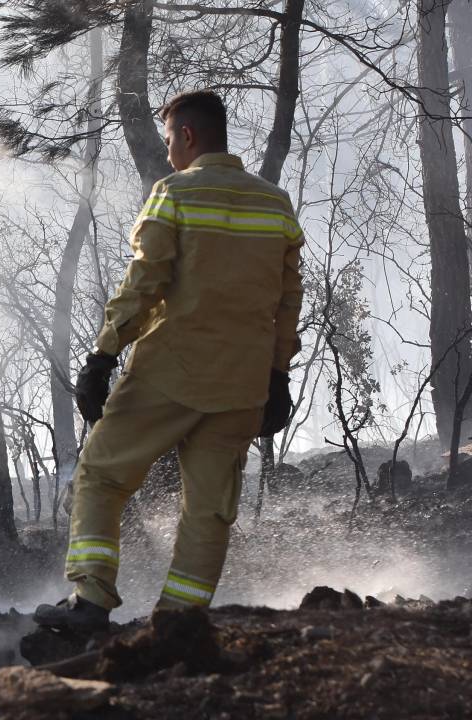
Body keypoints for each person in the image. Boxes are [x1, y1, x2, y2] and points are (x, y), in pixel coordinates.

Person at [35, 91, 304, 632]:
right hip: (243, 385)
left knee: (101, 474)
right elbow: (286, 302)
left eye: (168, 141)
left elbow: (146, 280)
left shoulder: (174, 194)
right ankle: (179, 623)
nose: (168, 153)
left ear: (187, 136)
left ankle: (89, 601)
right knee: (208, 508)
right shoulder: (276, 205)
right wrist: (277, 376)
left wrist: (104, 353)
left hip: (170, 372)